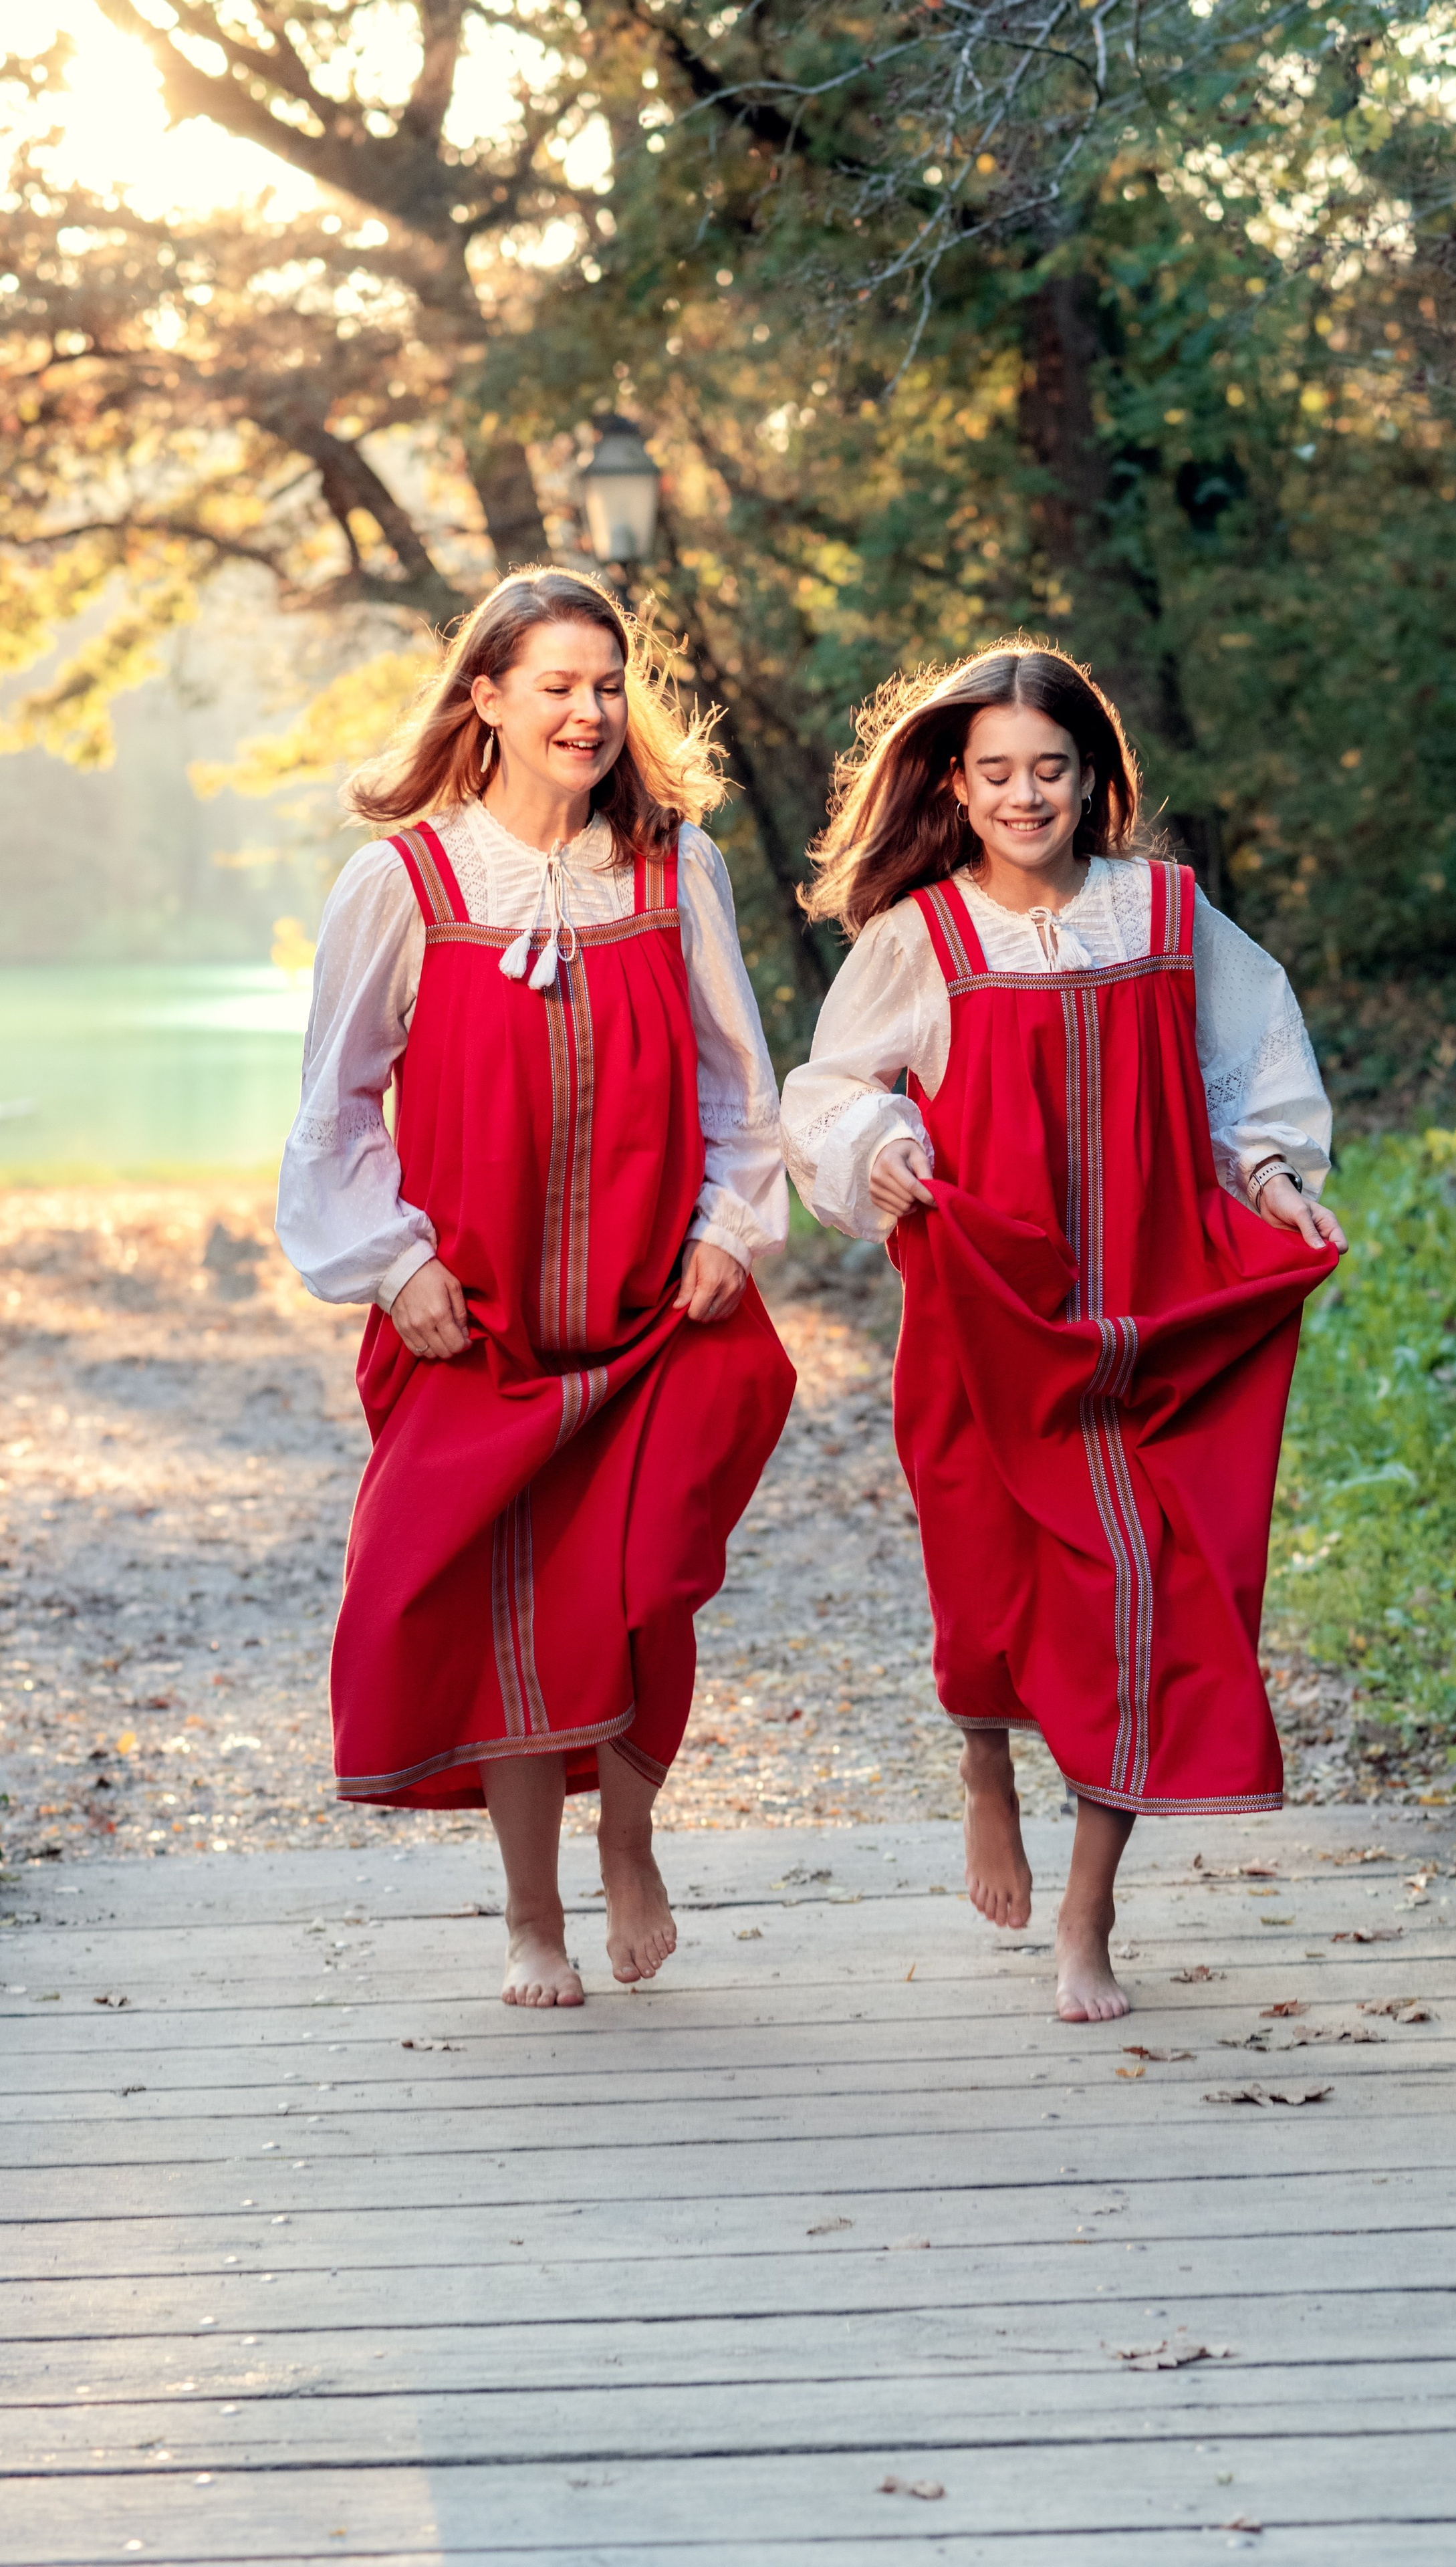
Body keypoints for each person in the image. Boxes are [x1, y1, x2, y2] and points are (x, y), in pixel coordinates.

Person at [780, 644, 1344, 2023]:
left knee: (1139, 1595)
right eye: (994, 775)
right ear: (955, 790)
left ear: (1090, 777)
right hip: (988, 1316)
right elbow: (831, 1086)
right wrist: (885, 1146)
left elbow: (1247, 1067)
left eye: (1047, 769)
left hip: (1152, 1312)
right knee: (986, 1586)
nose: (1023, 795)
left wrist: (1271, 1180)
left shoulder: (1162, 909)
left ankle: (1087, 1921)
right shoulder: (923, 934)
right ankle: (984, 1759)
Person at [277, 568, 796, 2009]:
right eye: (555, 684)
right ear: (485, 699)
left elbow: (734, 1080)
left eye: (606, 683)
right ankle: (530, 1916)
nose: (587, 710)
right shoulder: (403, 883)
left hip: (656, 1310)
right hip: (480, 1327)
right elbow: (333, 1113)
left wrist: (724, 1232)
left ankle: (626, 1840)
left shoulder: (671, 867)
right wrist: (397, 1265)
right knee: (510, 1611)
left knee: (639, 1587)